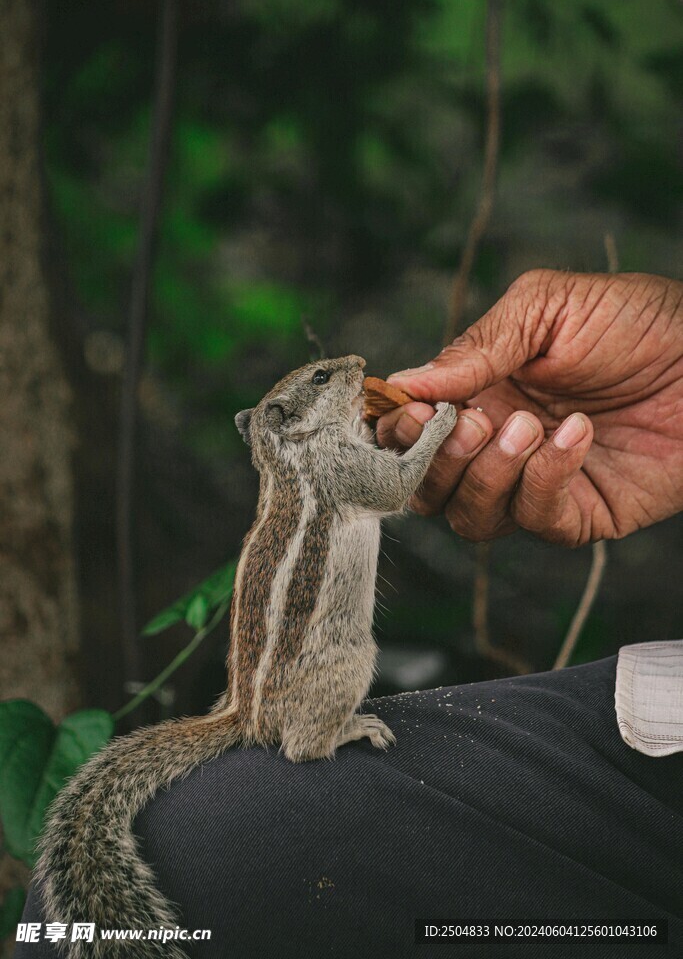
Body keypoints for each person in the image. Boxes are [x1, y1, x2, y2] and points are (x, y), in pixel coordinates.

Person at [16, 270, 683, 959]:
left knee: (228, 838)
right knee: (191, 839)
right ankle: (305, 738)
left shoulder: (321, 464)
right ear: (285, 422)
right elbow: (393, 483)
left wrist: (438, 430)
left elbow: (395, 484)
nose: (351, 373)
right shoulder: (320, 463)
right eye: (325, 381)